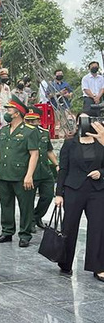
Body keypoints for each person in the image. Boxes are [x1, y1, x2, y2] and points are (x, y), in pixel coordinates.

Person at [55, 116, 104, 278]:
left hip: (96, 191)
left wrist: (101, 173)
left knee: (98, 227)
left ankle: (98, 267)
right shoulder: (70, 144)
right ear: (77, 124)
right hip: (73, 189)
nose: (84, 123)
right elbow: (63, 169)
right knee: (69, 227)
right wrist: (58, 194)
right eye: (81, 120)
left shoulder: (101, 143)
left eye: (87, 120)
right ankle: (65, 262)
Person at [0, 95, 40, 247]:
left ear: (17, 112)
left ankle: (25, 234)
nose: (7, 112)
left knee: (25, 206)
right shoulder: (4, 130)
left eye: (10, 109)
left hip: (21, 176)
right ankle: (7, 231)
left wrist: (29, 175)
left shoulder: (29, 131)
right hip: (5, 173)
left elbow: (34, 154)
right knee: (6, 204)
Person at [26, 107, 58, 231]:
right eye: (28, 121)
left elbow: (49, 150)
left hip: (44, 170)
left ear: (38, 121)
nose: (30, 123)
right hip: (30, 172)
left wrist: (56, 164)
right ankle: (29, 222)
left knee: (48, 196)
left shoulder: (44, 133)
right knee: (29, 200)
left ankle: (37, 216)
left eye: (32, 121)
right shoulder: (24, 134)